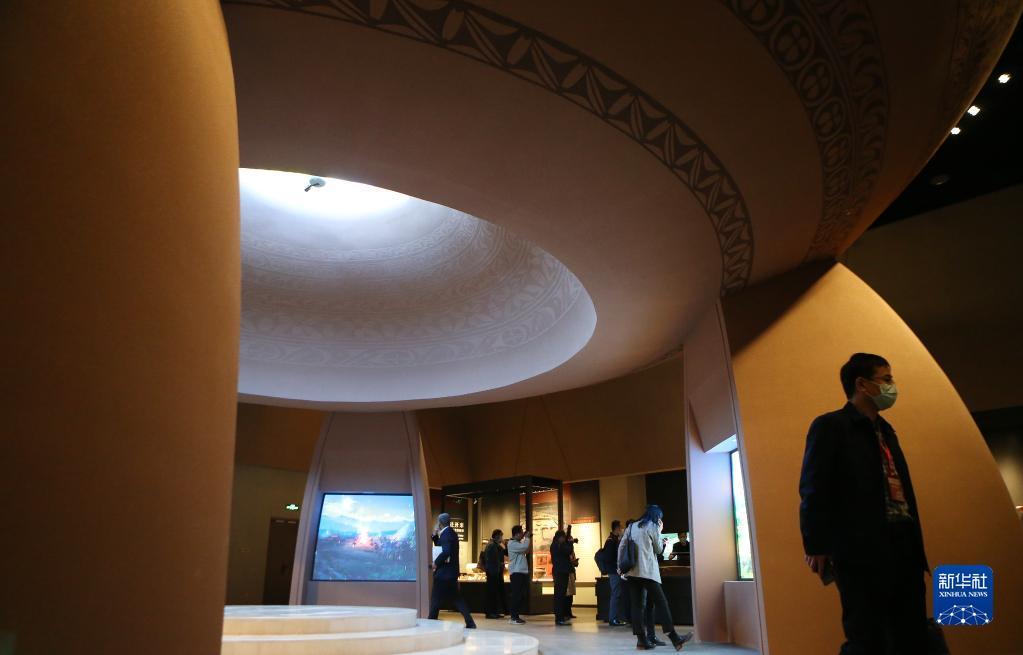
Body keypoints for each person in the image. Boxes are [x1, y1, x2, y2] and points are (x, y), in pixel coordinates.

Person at [799, 353, 930, 654]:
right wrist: (816, 544)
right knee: (867, 635)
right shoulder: (831, 426)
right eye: (886, 379)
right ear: (862, 384)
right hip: (861, 549)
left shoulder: (887, 430)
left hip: (904, 543)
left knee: (911, 631)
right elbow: (813, 487)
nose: (892, 386)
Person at [619, 505, 693, 651]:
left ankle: (641, 641)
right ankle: (674, 638)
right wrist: (659, 530)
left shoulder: (631, 526)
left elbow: (622, 546)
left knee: (637, 606)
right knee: (661, 603)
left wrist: (620, 567)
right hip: (647, 571)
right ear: (657, 516)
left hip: (632, 572)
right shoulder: (652, 526)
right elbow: (658, 550)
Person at [428, 513, 476, 629]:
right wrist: (435, 537)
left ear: (440, 523)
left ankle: (431, 622)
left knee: (435, 598)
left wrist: (435, 563)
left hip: (444, 573)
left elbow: (446, 552)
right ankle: (470, 622)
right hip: (450, 573)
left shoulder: (446, 534)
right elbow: (442, 547)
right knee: (457, 599)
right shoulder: (451, 533)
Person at [602, 520, 628, 626]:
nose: (622, 529)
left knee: (617, 594)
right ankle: (612, 619)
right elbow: (609, 558)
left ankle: (615, 618)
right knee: (615, 594)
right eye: (621, 527)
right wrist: (617, 566)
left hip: (615, 571)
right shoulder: (610, 541)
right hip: (614, 572)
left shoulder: (614, 540)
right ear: (617, 528)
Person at [506, 525, 531, 624]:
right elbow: (524, 547)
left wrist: (526, 539)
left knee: (520, 595)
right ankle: (513, 617)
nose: (522, 535)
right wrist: (527, 538)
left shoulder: (517, 543)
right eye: (521, 533)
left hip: (521, 572)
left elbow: (526, 550)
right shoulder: (512, 543)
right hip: (516, 573)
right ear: (516, 534)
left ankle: (515, 616)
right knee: (516, 595)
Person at [483, 529, 507, 619]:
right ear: (497, 536)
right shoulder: (492, 545)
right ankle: (490, 613)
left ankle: (494, 612)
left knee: (494, 593)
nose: (502, 538)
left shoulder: (495, 545)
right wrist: (499, 565)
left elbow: (504, 553)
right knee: (491, 593)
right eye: (501, 536)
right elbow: (492, 560)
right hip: (492, 572)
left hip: (494, 572)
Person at [550, 529, 573, 626]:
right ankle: (559, 618)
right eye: (563, 537)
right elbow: (569, 551)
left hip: (558, 572)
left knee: (559, 595)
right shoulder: (559, 545)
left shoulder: (555, 545)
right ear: (560, 538)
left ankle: (559, 617)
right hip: (561, 572)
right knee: (560, 595)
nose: (564, 539)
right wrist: (570, 542)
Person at [565, 524, 579, 619]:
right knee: (567, 593)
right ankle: (566, 612)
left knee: (571, 594)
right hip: (567, 573)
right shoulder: (566, 551)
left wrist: (575, 562)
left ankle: (569, 611)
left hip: (572, 572)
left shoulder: (572, 552)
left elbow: (574, 562)